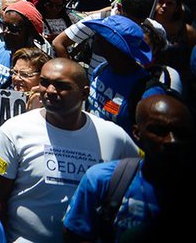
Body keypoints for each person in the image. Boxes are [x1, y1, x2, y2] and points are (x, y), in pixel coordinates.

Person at [0, 58, 140, 242]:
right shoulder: (13, 131)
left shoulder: (115, 137)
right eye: (44, 82)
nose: (50, 91)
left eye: (61, 86)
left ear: (84, 93)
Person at [64, 94, 195, 241]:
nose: (172, 140)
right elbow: (75, 235)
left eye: (182, 132)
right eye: (159, 131)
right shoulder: (103, 179)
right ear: (137, 134)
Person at [0, 0, 53, 88]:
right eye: (4, 26)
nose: (6, 32)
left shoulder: (41, 63)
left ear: (31, 32)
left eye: (13, 28)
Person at [9, 46, 49, 111]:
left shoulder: (50, 107)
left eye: (25, 74)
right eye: (14, 72)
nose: (16, 78)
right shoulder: (4, 98)